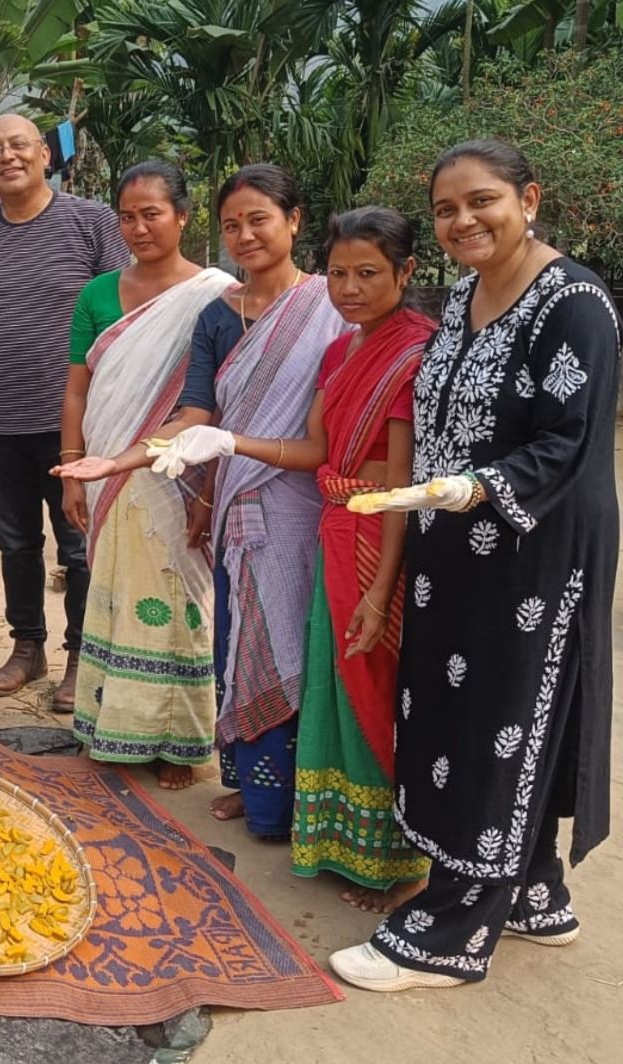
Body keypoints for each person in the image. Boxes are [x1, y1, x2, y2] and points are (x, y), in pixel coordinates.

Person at [330, 140, 618, 991]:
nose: (465, 221)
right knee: (459, 714)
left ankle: (450, 933)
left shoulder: (575, 303)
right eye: (448, 209)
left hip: (532, 551)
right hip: (449, 540)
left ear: (528, 197)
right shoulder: (459, 299)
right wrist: (436, 501)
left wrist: (479, 486)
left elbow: (572, 440)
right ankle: (531, 889)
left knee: (503, 719)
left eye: (482, 201)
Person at [57, 165, 348, 840]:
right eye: (234, 225)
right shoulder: (219, 315)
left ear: (295, 220)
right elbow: (199, 415)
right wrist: (119, 460)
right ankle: (256, 787)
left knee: (304, 642)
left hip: (308, 502)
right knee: (242, 638)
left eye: (259, 220)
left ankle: (317, 796)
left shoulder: (332, 305)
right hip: (229, 497)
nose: (245, 235)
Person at [158, 207, 434, 909]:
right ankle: (342, 841)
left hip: (380, 540)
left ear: (406, 272)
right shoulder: (340, 352)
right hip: (333, 530)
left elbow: (399, 487)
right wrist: (232, 445)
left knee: (374, 688)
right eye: (339, 273)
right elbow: (313, 452)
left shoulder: (413, 351)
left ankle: (395, 860)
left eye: (368, 273)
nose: (349, 288)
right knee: (332, 687)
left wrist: (380, 591)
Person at [52, 161, 234, 789]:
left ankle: (180, 743)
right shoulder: (96, 293)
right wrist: (73, 472)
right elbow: (78, 389)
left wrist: (209, 490)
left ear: (183, 216)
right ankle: (115, 725)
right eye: (126, 216)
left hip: (179, 472)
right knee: (114, 590)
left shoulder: (215, 294)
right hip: (105, 467)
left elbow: (220, 400)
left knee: (183, 597)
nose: (138, 227)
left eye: (151, 213)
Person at [0, 113, 126, 710]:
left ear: (45, 153)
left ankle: (82, 654)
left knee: (77, 546)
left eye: (19, 145)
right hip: (0, 418)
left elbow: (122, 308)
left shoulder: (92, 221)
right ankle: (27, 647)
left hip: (78, 419)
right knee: (16, 543)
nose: (7, 156)